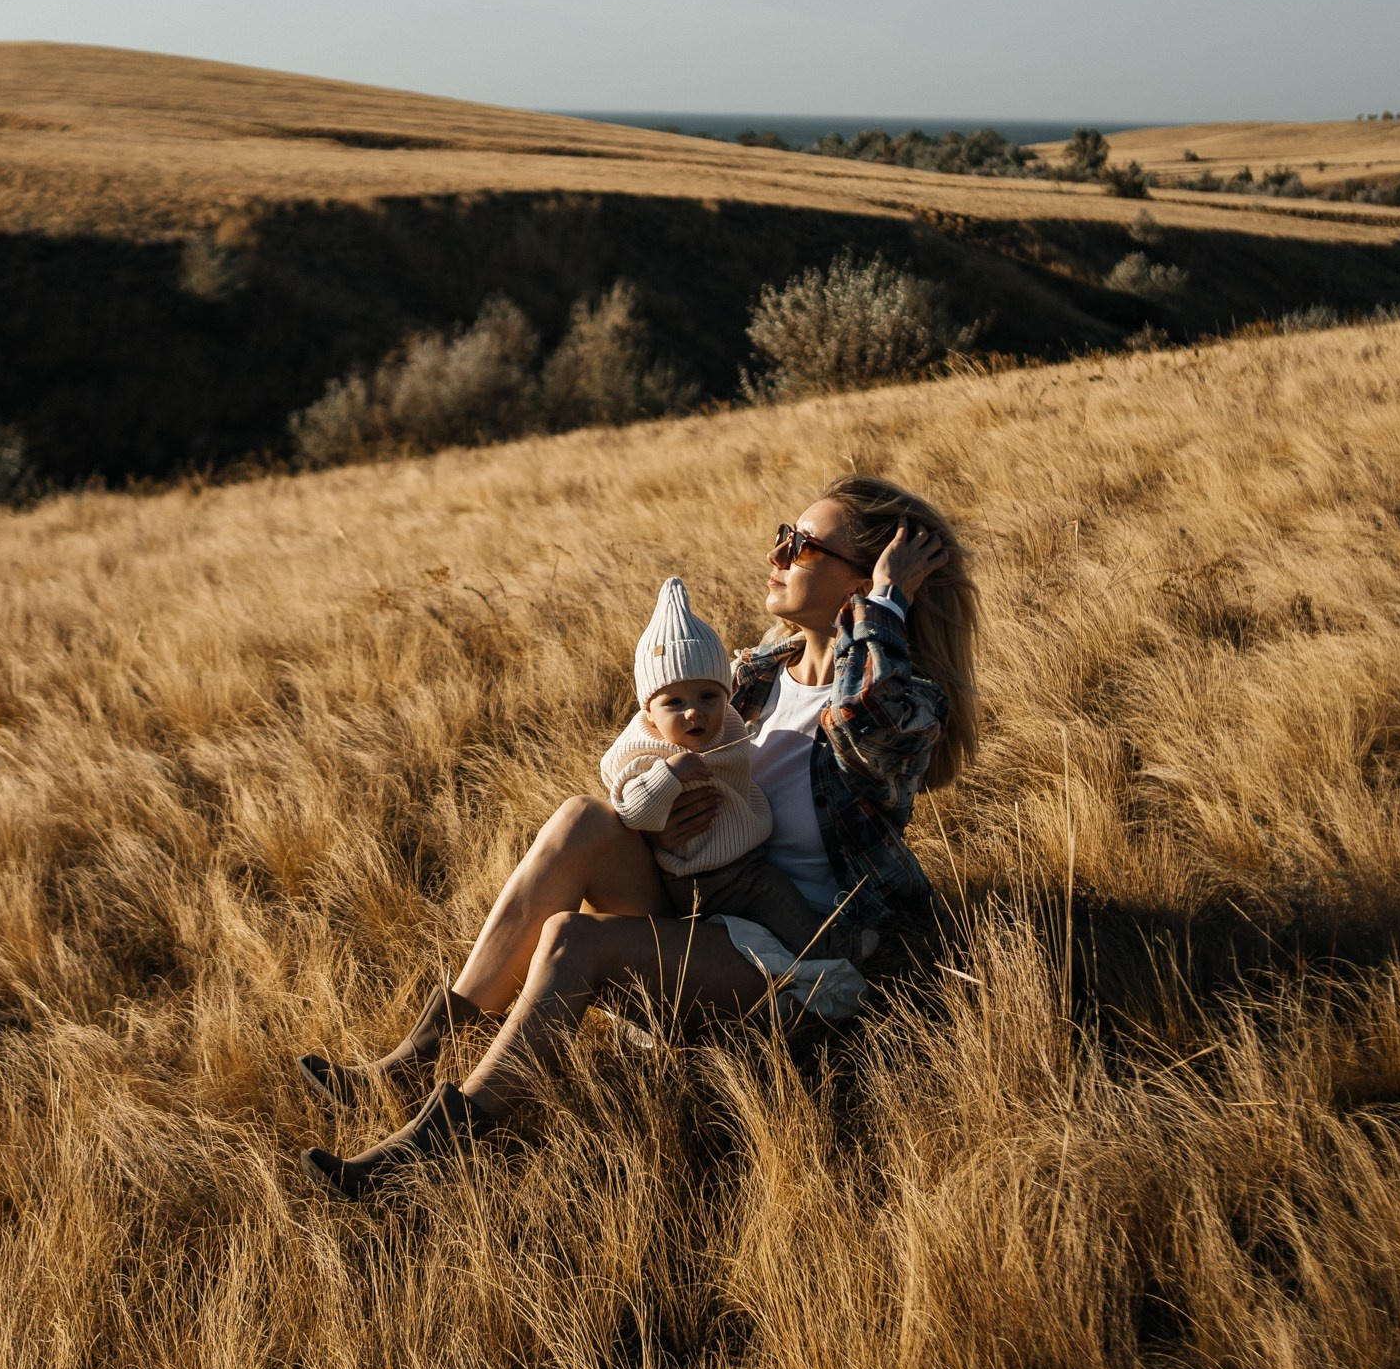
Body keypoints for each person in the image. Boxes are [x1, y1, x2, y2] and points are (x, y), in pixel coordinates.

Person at [297, 474, 979, 1197]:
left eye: (802, 544)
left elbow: (865, 723)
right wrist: (655, 810)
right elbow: (636, 749)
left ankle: (444, 1144)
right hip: (703, 906)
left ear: (863, 578)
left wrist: (886, 603)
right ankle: (417, 1055)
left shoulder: (902, 700)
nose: (778, 552)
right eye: (784, 534)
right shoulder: (752, 676)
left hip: (799, 959)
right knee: (580, 818)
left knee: (570, 940)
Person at [598, 575, 859, 965]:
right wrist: (669, 774)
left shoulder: (728, 728)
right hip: (701, 876)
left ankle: (803, 955)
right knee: (776, 896)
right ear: (647, 711)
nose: (694, 711)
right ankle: (829, 956)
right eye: (673, 702)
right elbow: (631, 810)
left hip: (735, 863)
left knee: (774, 902)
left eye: (709, 696)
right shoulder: (647, 752)